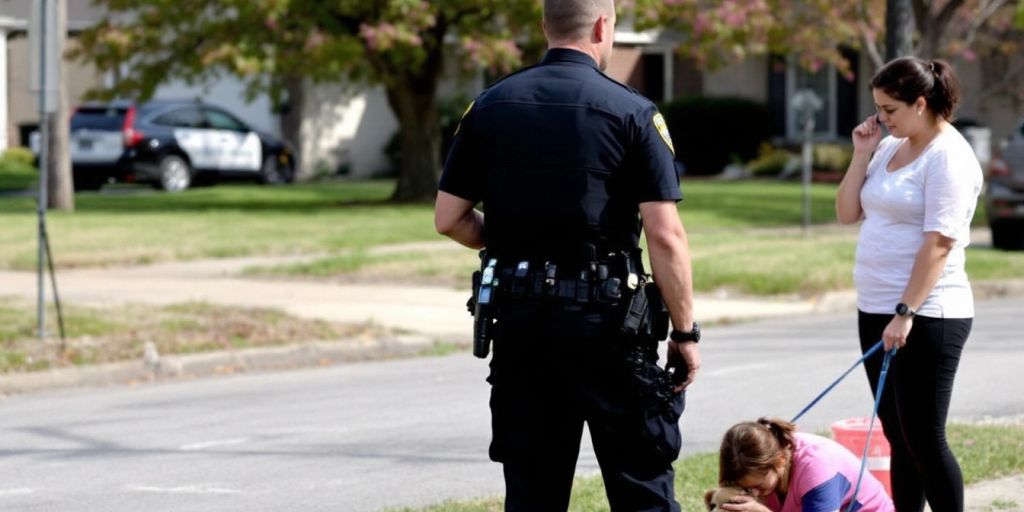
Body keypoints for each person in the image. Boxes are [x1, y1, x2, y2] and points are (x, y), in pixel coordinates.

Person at [434, 0, 701, 509]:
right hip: (610, 329)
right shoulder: (632, 111)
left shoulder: (489, 106)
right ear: (603, 26)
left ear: (545, 27)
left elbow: (449, 219)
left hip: (522, 325)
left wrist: (514, 239)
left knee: (533, 489)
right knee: (641, 482)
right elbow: (665, 236)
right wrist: (686, 334)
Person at [835, 57, 982, 511]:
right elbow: (846, 213)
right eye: (878, 108)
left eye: (890, 109)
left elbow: (938, 244)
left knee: (924, 438)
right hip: (876, 306)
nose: (881, 118)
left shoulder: (949, 157)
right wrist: (861, 153)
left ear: (921, 103)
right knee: (897, 434)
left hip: (927, 313)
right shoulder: (887, 147)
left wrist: (906, 312)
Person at [715, 418, 894, 512]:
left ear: (779, 462)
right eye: (746, 490)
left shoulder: (816, 468)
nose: (754, 494)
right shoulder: (760, 469)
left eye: (758, 486)